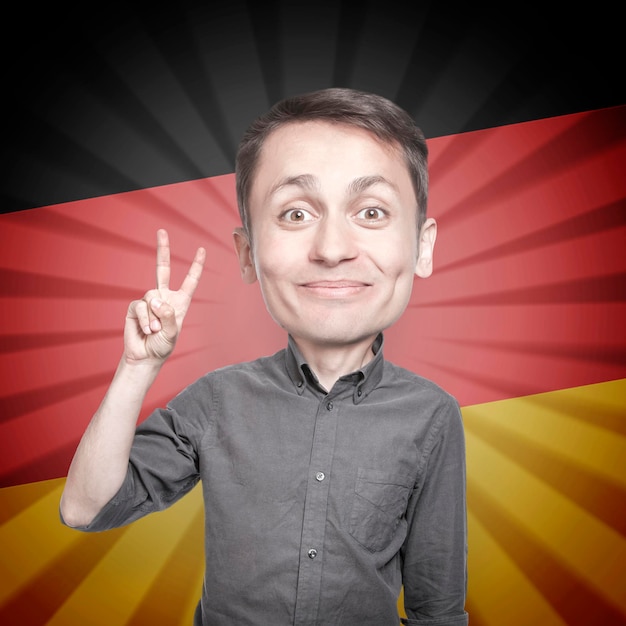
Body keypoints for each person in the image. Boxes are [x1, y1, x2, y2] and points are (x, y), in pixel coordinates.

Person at [60, 87, 468, 626]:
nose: (331, 248)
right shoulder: (216, 401)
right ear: (248, 253)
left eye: (370, 211)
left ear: (422, 246)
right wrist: (138, 366)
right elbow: (86, 508)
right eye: (296, 213)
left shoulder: (433, 416)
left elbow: (436, 607)